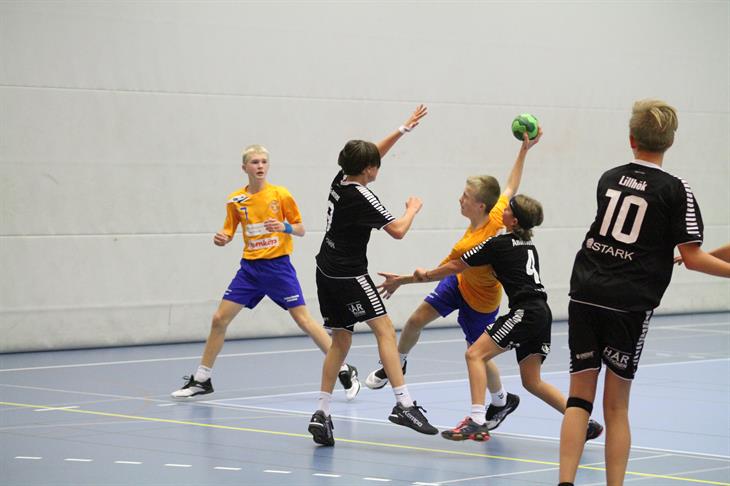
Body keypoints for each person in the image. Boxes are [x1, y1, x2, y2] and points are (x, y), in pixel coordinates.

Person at [558, 99, 730, 486]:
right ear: (670, 141)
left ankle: (565, 482)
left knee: (579, 398)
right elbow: (694, 257)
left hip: (585, 291)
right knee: (616, 406)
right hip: (628, 302)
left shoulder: (609, 178)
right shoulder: (675, 189)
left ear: (632, 138)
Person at [368, 128, 543, 434]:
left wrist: (403, 280)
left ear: (480, 206)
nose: (459, 199)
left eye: (466, 197)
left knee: (479, 355)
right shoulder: (496, 211)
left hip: (481, 300)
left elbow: (438, 271)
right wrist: (524, 150)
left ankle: (501, 400)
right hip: (459, 284)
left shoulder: (475, 241)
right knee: (415, 321)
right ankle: (397, 363)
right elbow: (511, 184)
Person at [171, 144, 360, 400]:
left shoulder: (280, 195)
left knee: (304, 320)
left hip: (278, 268)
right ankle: (202, 380)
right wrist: (222, 238)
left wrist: (284, 227)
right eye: (254, 162)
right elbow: (229, 230)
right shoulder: (236, 200)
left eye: (263, 162)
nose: (260, 166)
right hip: (249, 270)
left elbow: (300, 229)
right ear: (244, 167)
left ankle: (345, 369)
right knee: (219, 319)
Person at [409, 194, 603, 442]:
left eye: (508, 209)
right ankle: (585, 423)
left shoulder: (498, 244)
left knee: (474, 354)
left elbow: (457, 265)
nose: (503, 211)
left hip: (525, 312)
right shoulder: (529, 246)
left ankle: (477, 421)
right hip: (542, 313)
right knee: (532, 381)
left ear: (514, 220)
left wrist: (426, 274)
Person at [308, 105, 439, 447]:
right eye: (375, 164)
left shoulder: (340, 180)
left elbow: (371, 155)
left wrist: (402, 130)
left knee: (341, 341)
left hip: (325, 270)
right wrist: (412, 210)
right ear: (368, 170)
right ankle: (404, 405)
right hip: (349, 274)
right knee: (385, 330)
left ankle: (321, 412)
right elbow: (397, 231)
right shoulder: (363, 196)